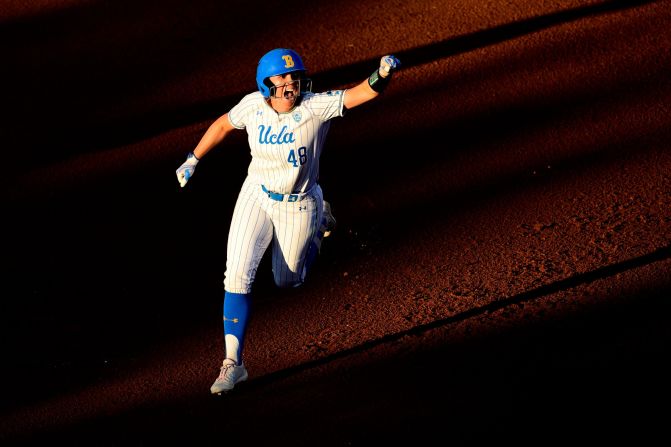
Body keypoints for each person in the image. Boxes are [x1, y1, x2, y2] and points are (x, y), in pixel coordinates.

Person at [176, 48, 400, 394]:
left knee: (289, 281)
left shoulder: (314, 106)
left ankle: (320, 225)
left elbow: (360, 94)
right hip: (257, 193)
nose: (290, 82)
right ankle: (232, 364)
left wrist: (382, 74)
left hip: (298, 203)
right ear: (265, 84)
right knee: (236, 273)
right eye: (281, 78)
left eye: (294, 76)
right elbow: (223, 124)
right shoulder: (253, 106)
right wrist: (193, 158)